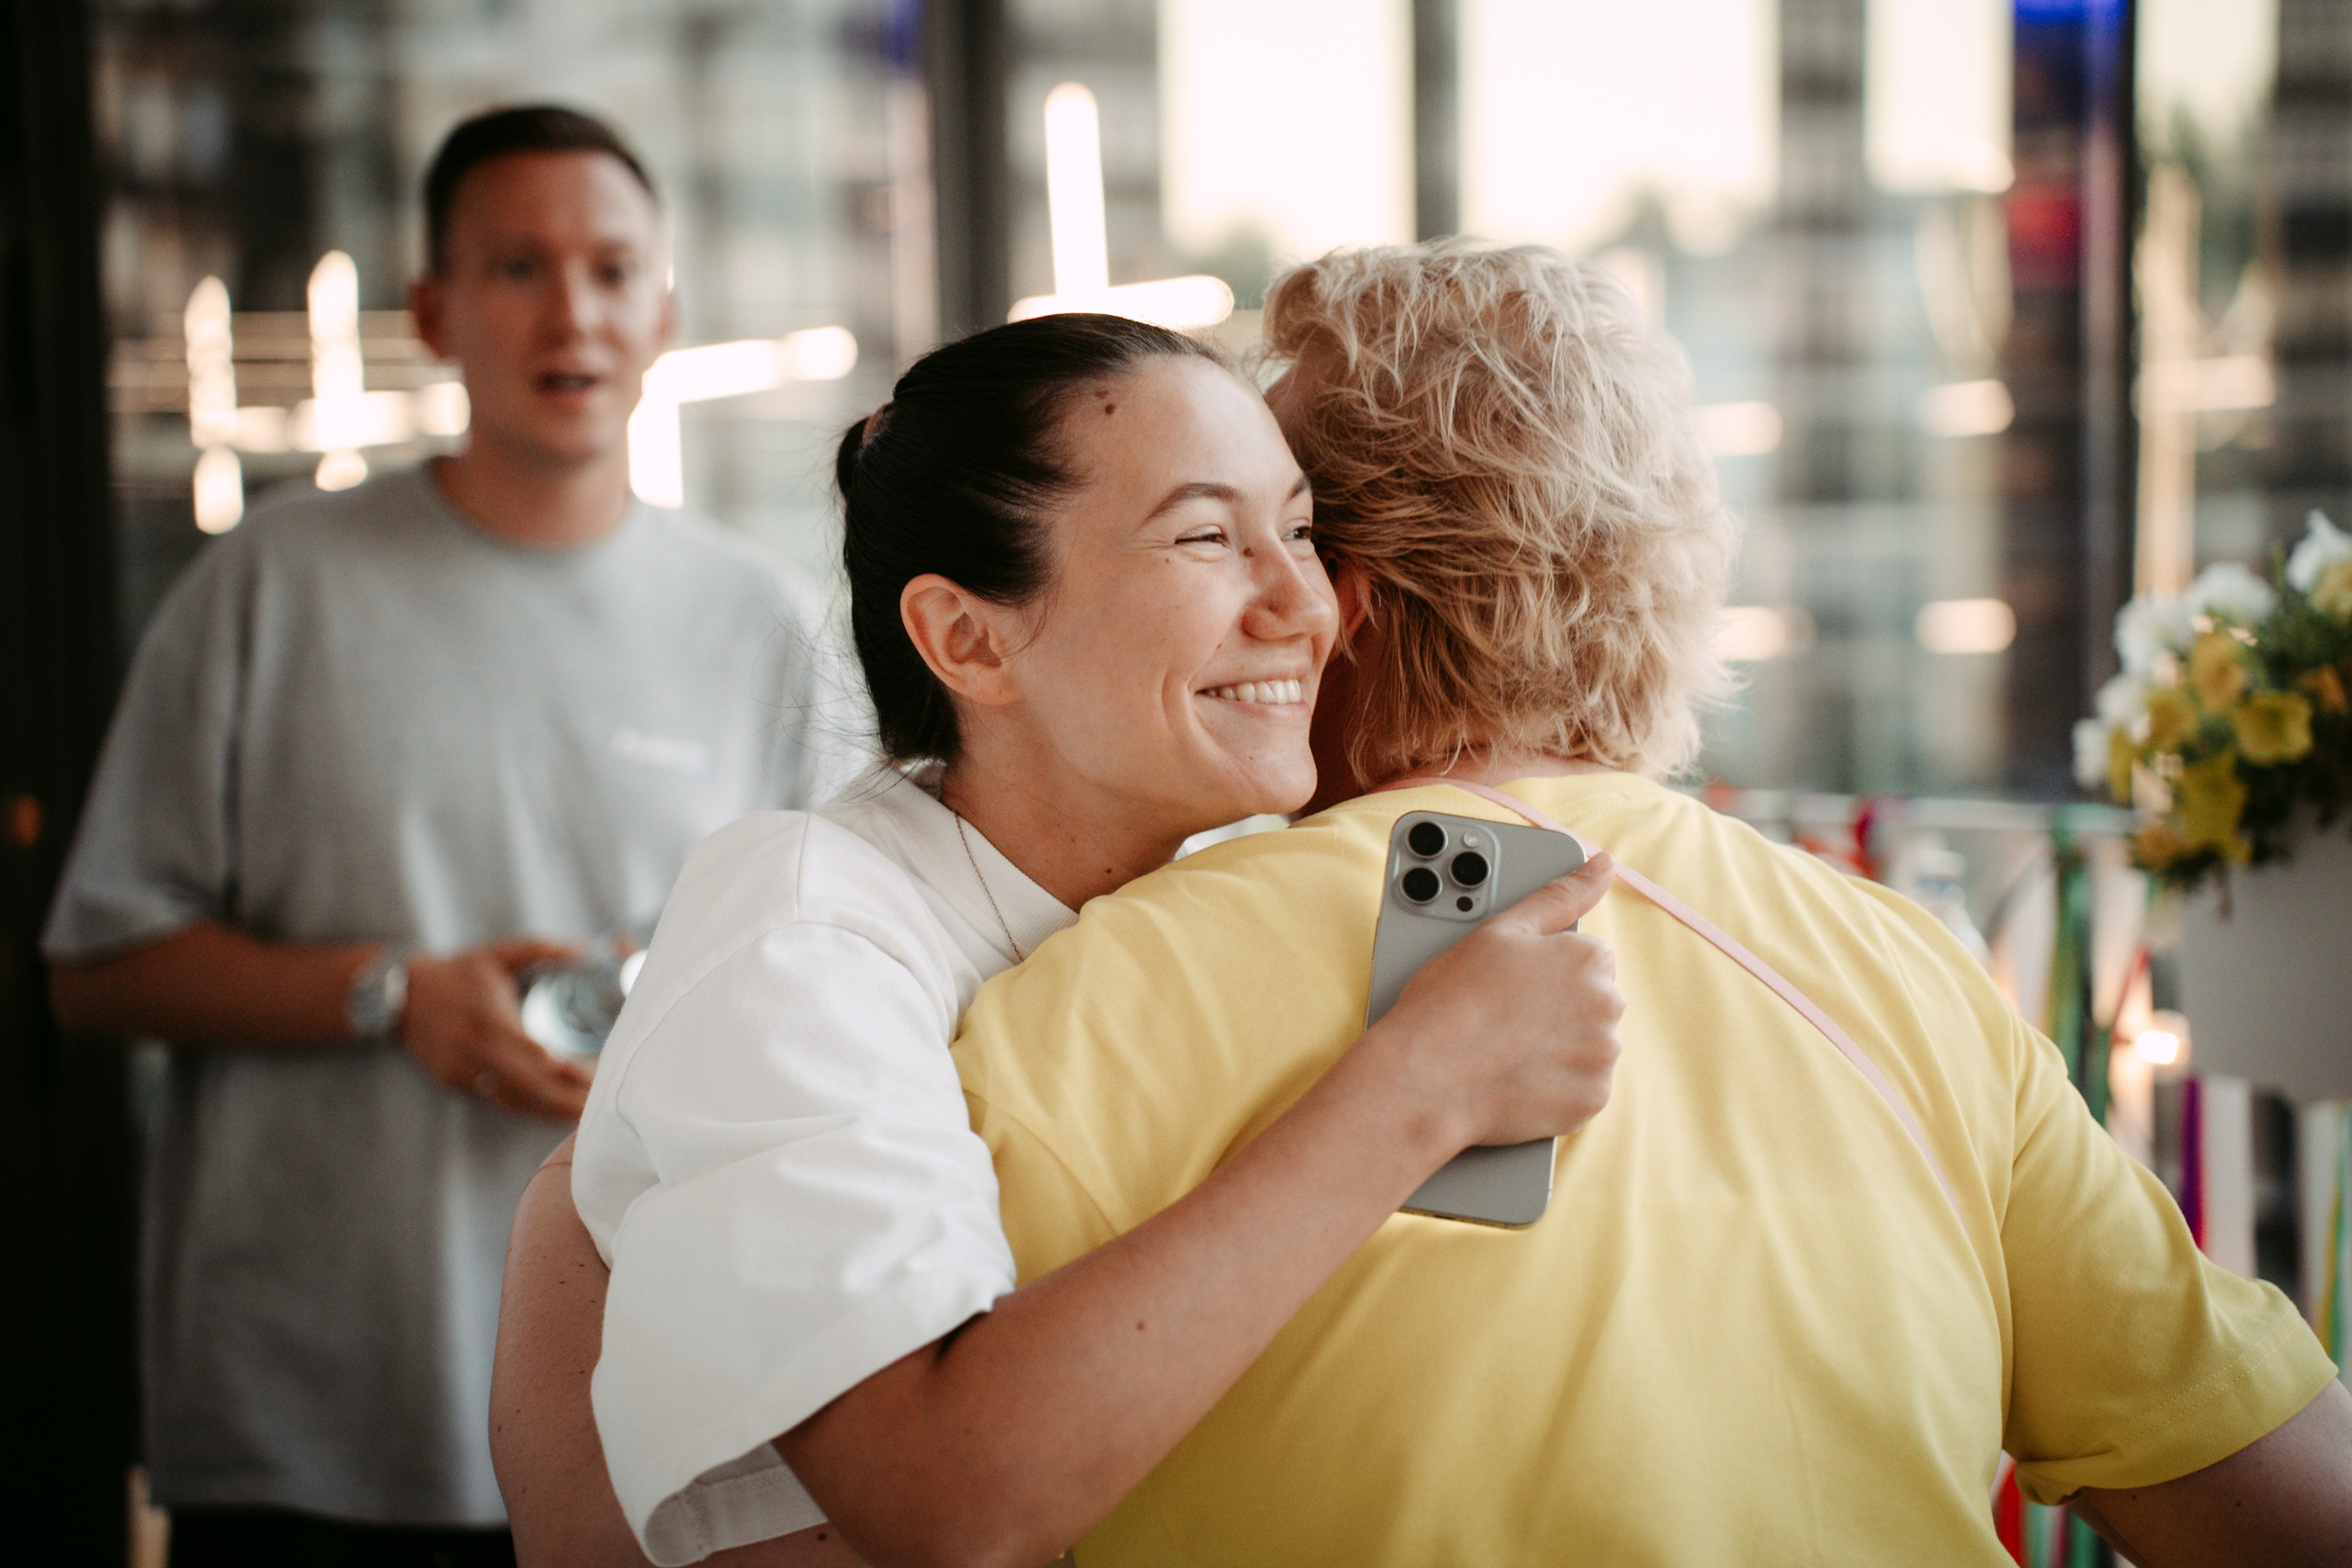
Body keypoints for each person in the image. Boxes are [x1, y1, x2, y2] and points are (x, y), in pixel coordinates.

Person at [943, 242, 2352, 1565]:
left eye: (1288, 532)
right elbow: (2283, 1497)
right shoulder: (1910, 975)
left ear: (1340, 600)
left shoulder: (1087, 1003)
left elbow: (917, 1498)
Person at [506, 311, 1625, 1568]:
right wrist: (1425, 1085)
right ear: (970, 638)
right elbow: (945, 1498)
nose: (1308, 605)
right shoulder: (801, 925)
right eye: (1207, 537)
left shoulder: (1182, 915)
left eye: (1302, 532)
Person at [44, 104, 854, 1566]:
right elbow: (97, 965)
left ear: (665, 313)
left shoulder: (768, 628)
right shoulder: (269, 587)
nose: (573, 313)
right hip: (313, 1414)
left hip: (648, 1421)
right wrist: (389, 993)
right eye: (517, 267)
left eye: (613, 271)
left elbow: (841, 1001)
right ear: (433, 312)